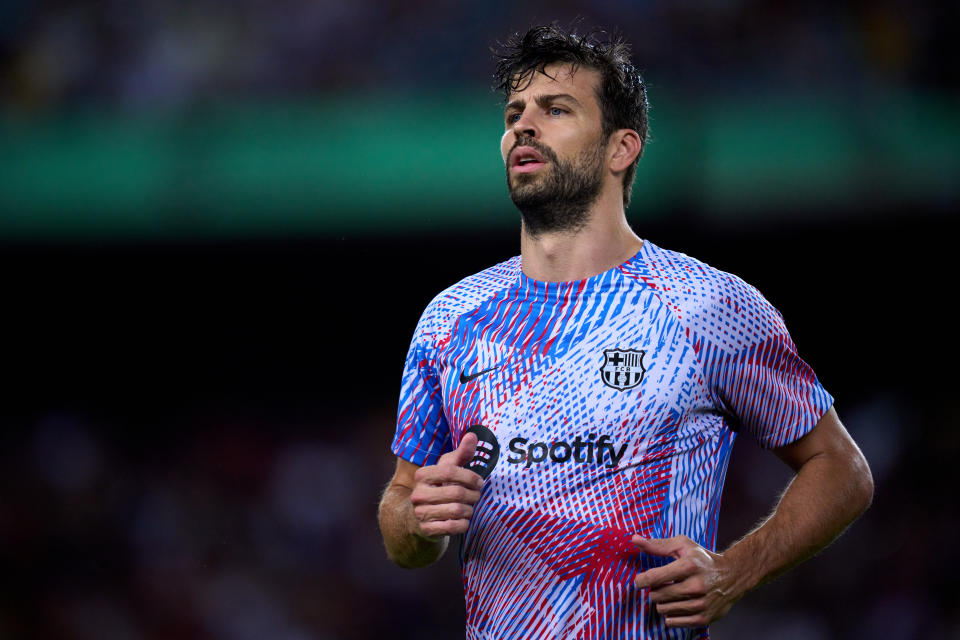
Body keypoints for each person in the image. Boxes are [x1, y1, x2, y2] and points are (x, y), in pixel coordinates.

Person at [377, 24, 873, 639]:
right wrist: (418, 523)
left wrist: (733, 573)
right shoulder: (449, 319)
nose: (522, 127)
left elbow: (841, 467)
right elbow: (403, 515)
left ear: (622, 149)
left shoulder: (705, 304)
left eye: (556, 109)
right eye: (514, 113)